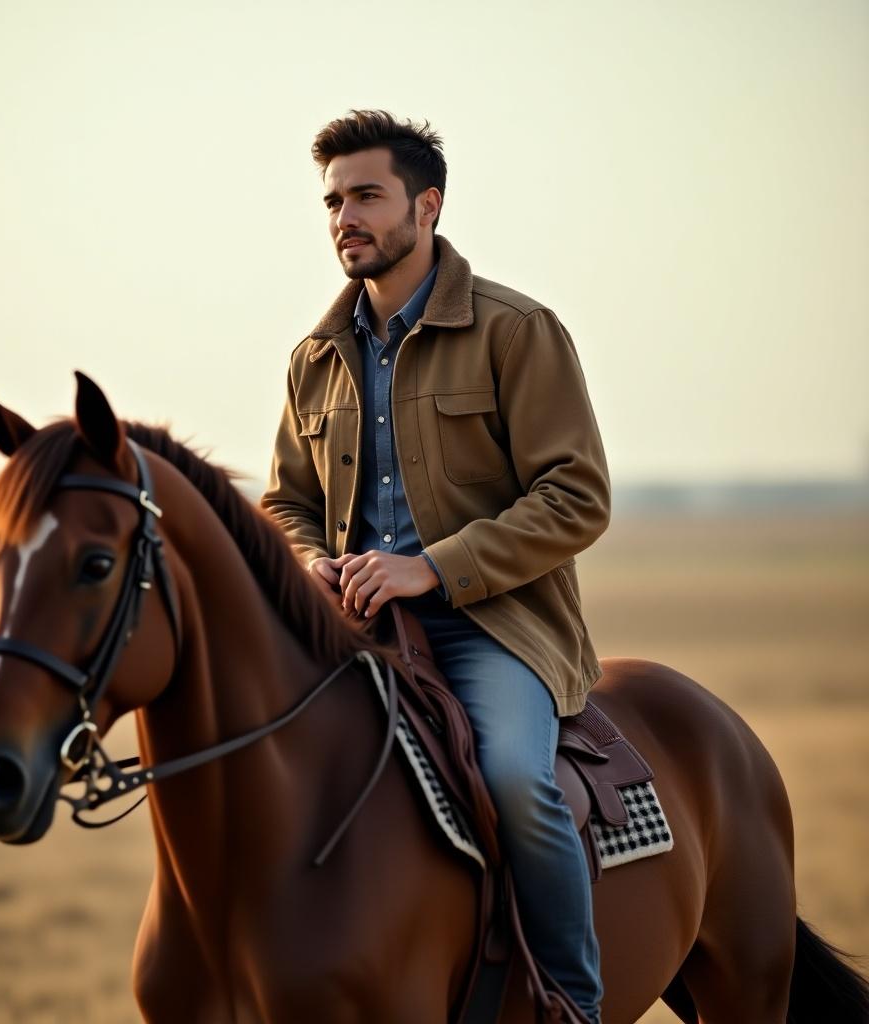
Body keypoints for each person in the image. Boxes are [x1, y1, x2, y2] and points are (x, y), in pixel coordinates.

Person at [260, 109, 610, 1024]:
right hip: (352, 629)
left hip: (494, 626)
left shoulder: (515, 331)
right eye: (333, 200)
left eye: (367, 196)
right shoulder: (313, 360)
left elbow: (577, 497)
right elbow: (284, 504)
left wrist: (433, 569)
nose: (346, 218)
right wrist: (314, 562)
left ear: (428, 205)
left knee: (514, 781)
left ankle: (571, 1000)